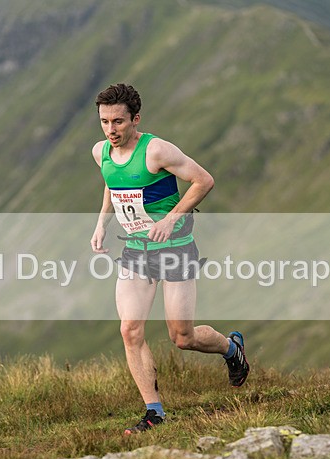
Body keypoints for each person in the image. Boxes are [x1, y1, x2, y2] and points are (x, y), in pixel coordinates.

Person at [89, 83, 250, 435]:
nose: (111, 130)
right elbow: (111, 183)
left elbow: (203, 180)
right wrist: (102, 223)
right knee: (130, 331)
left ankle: (231, 349)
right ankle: (154, 412)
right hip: (135, 250)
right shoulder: (100, 151)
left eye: (118, 121)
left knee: (182, 336)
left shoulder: (156, 150)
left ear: (135, 119)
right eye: (104, 121)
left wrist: (171, 217)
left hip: (175, 248)